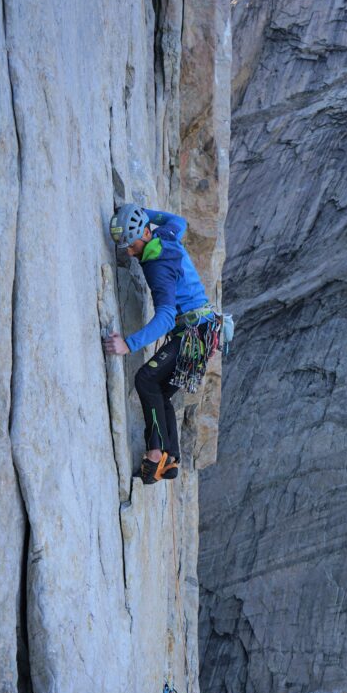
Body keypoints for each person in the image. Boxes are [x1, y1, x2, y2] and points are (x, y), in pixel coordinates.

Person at [104, 203, 219, 484]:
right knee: (159, 392)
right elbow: (178, 220)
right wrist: (143, 212)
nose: (128, 252)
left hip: (191, 334)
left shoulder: (157, 267)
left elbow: (167, 317)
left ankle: (155, 454)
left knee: (145, 379)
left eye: (131, 245)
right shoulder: (166, 235)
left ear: (145, 234)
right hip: (203, 333)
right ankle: (171, 460)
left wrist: (129, 345)